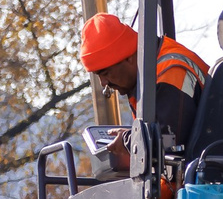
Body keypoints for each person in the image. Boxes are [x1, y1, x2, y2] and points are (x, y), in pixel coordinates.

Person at [80, 12, 209, 144]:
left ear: (128, 58)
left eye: (106, 73)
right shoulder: (148, 75)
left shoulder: (169, 74)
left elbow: (171, 143)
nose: (103, 83)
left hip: (209, 159)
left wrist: (128, 142)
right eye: (98, 76)